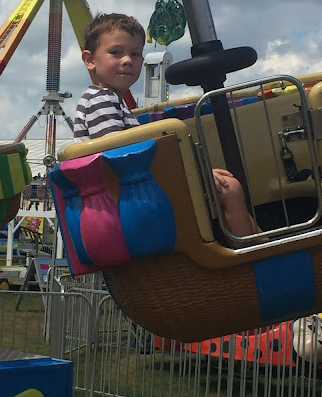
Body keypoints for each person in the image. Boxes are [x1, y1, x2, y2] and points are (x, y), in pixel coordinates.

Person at [73, 12, 259, 241]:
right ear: (89, 60)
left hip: (130, 187)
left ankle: (261, 241)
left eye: (135, 54)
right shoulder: (101, 100)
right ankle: (252, 251)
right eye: (116, 52)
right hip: (127, 193)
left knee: (222, 185)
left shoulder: (107, 100)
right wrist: (193, 173)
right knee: (229, 189)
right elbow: (120, 156)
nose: (127, 60)